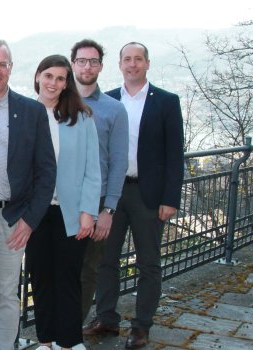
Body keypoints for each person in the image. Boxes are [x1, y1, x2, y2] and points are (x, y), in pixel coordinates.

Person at [83, 42, 184, 350]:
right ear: (119, 64)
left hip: (148, 195)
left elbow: (174, 154)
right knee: (105, 260)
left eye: (138, 59)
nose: (132, 64)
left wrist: (171, 199)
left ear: (147, 64)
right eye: (127, 59)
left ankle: (141, 327)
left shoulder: (166, 102)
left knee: (148, 263)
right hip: (110, 194)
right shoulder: (108, 99)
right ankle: (107, 318)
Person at [0, 39, 56, 350]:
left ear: (11, 68)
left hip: (11, 217)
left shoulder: (31, 111)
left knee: (6, 291)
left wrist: (30, 221)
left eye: (2, 64)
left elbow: (46, 173)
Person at [26, 54, 101, 350]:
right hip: (35, 212)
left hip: (70, 212)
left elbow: (92, 170)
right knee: (40, 278)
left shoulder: (81, 117)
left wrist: (88, 212)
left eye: (60, 78)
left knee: (69, 278)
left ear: (66, 82)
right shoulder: (26, 114)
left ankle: (68, 342)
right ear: (37, 77)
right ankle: (45, 341)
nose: (53, 83)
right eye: (48, 76)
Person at [69, 39, 129, 328]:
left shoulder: (114, 109)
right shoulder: (58, 103)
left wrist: (109, 210)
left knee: (88, 271)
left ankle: (72, 332)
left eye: (93, 61)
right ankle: (54, 329)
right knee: (57, 269)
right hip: (61, 203)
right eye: (82, 60)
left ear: (101, 67)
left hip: (97, 205)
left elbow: (119, 163)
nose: (87, 66)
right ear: (73, 64)